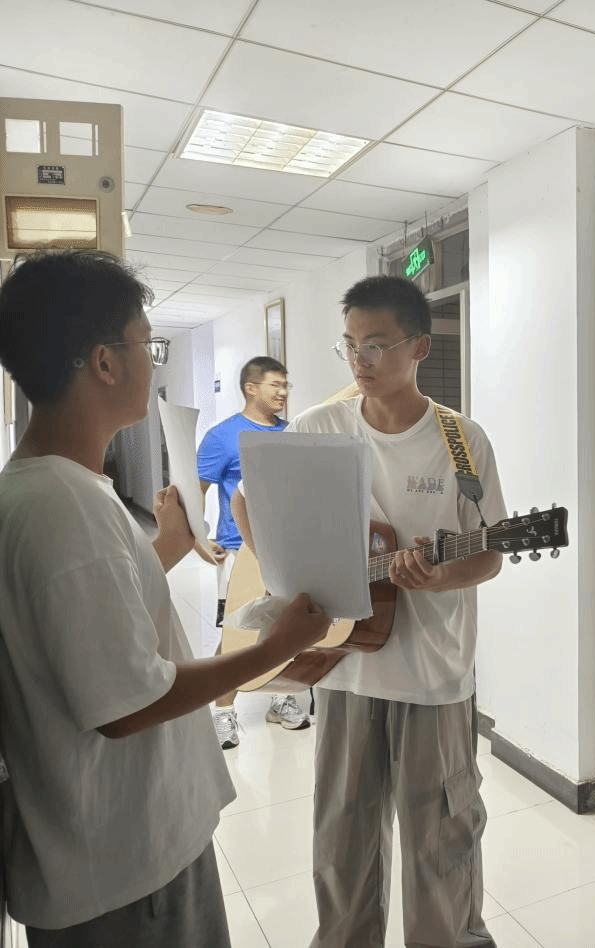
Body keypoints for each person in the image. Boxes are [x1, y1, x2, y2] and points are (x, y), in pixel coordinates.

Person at [0, 250, 331, 947]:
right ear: (104, 363)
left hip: (112, 862)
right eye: (145, 345)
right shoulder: (65, 506)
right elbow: (129, 703)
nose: (153, 366)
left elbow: (88, 616)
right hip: (128, 874)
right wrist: (275, 649)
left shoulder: (49, 490)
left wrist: (168, 550)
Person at [233, 275, 507, 948]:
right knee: (343, 842)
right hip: (344, 669)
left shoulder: (462, 441)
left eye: (377, 345)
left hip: (434, 677)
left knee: (441, 842)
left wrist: (438, 576)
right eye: (351, 345)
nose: (361, 360)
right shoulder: (317, 429)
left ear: (420, 347)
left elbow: (490, 554)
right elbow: (257, 511)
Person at [197, 355, 310, 748]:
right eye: (275, 384)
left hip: (286, 551)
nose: (283, 392)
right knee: (237, 634)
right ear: (250, 388)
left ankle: (280, 700)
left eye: (285, 385)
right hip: (238, 550)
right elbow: (196, 491)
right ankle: (223, 713)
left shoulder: (292, 433)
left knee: (285, 627)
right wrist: (200, 536)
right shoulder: (223, 436)